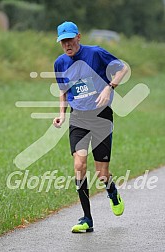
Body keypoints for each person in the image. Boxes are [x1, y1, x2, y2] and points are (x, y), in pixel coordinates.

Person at [53, 21, 128, 233]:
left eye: (70, 39)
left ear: (79, 37)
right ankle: (87, 218)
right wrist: (61, 114)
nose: (67, 44)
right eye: (63, 41)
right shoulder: (60, 63)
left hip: (101, 117)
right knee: (79, 166)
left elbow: (122, 68)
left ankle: (112, 192)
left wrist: (109, 87)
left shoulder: (95, 53)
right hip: (78, 117)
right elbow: (63, 91)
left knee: (102, 172)